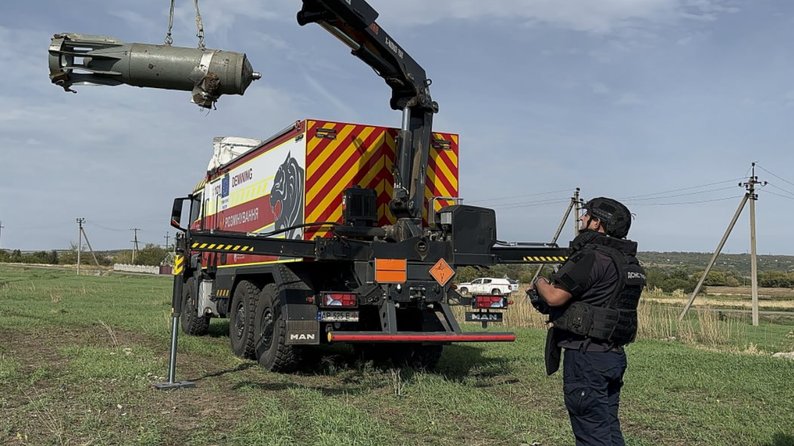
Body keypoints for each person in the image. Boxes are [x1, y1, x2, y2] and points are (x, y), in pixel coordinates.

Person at [527, 197, 646, 446]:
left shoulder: (592, 257)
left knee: (592, 433)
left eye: (586, 215)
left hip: (586, 358)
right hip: (612, 357)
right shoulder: (628, 262)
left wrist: (539, 282)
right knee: (607, 428)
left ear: (597, 223)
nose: (581, 219)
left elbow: (555, 297)